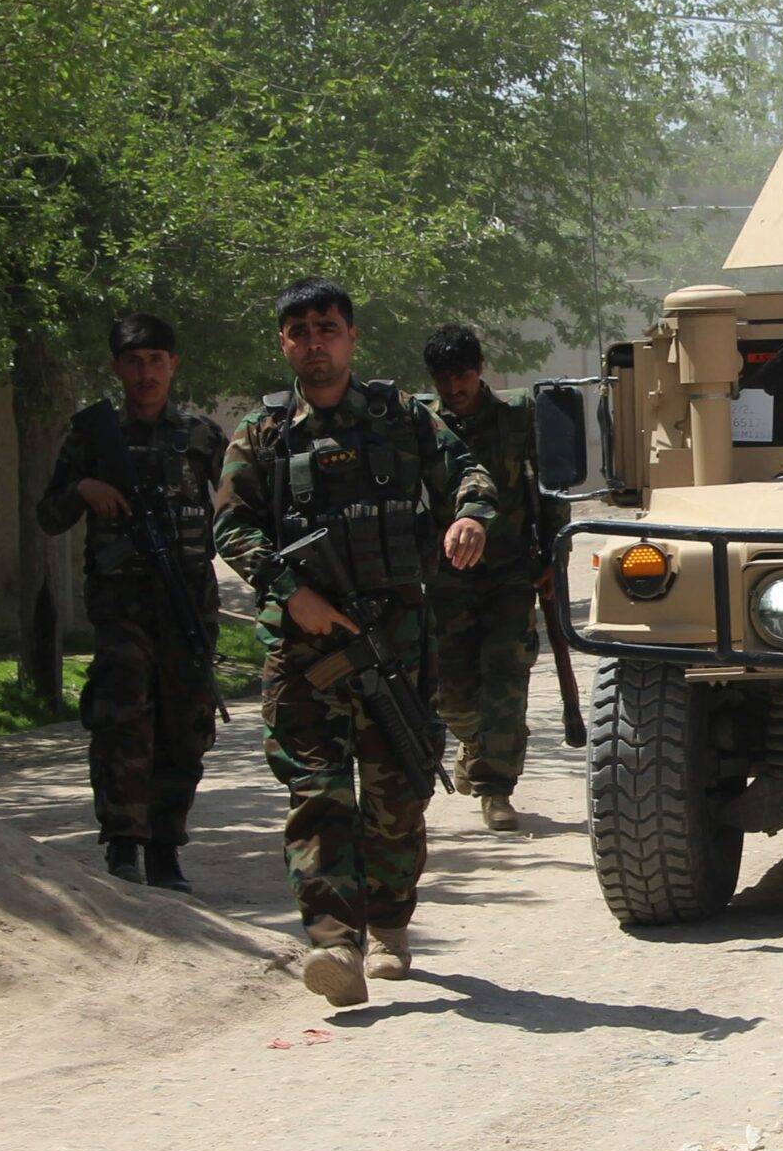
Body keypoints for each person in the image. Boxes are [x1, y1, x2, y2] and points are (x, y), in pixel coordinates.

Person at [215, 279, 497, 1006]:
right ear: (284, 343)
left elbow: (468, 472)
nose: (315, 341)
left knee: (397, 792)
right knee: (318, 796)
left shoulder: (402, 419)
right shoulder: (264, 434)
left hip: (394, 642)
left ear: (351, 336)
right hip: (305, 653)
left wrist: (469, 517)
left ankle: (390, 927)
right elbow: (231, 526)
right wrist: (292, 594)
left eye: (328, 328)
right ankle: (335, 942)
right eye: (300, 330)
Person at [33, 313, 225, 892]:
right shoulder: (94, 437)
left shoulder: (202, 437)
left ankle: (166, 847)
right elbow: (49, 515)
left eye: (157, 361)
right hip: (121, 607)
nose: (147, 373)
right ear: (118, 368)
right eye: (135, 362)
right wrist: (82, 489)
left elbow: (244, 508)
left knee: (184, 726)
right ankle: (123, 845)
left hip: (187, 604)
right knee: (121, 721)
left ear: (173, 365)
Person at [421, 326, 566, 830]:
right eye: (443, 378)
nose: (453, 387)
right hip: (445, 577)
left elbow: (549, 488)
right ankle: (474, 744)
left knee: (506, 676)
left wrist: (554, 554)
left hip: (508, 571)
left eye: (461, 375)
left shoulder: (516, 416)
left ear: (479, 369)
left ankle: (495, 788)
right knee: (452, 691)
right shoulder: (421, 424)